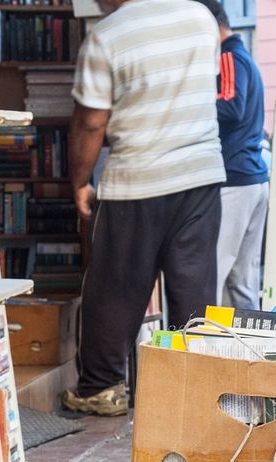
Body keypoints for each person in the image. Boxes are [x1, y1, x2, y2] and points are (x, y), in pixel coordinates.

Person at [61, 0, 225, 416]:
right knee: (194, 285)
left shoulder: (107, 35)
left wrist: (80, 180)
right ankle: (198, 383)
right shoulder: (199, 18)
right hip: (200, 172)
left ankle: (101, 389)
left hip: (136, 179)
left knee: (114, 289)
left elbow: (91, 121)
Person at [197, 0, 270, 310]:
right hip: (252, 178)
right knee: (243, 279)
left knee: (212, 271)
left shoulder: (229, 57)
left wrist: (190, 103)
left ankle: (200, 347)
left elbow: (229, 105)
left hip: (236, 179)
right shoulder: (243, 57)